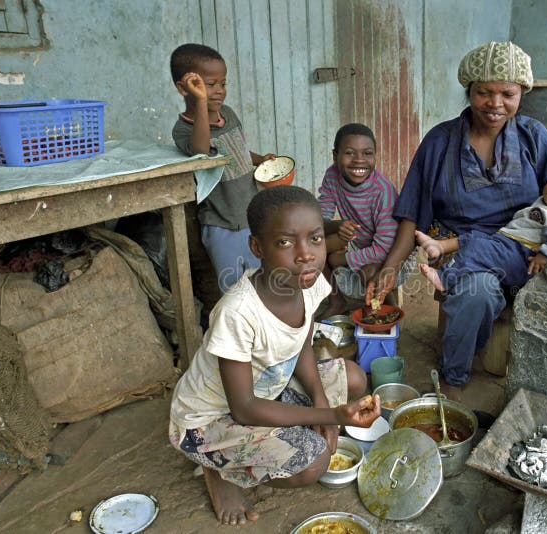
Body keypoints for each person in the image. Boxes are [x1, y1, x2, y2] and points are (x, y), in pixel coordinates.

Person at [169, 185, 380, 526]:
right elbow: (243, 407)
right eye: (285, 242)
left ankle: (254, 446)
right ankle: (218, 469)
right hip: (210, 419)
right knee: (312, 463)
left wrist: (321, 404)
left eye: (315, 239)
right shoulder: (238, 313)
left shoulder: (309, 284)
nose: (305, 254)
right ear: (257, 247)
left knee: (354, 377)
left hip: (270, 389)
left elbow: (300, 345)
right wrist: (329, 413)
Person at [365, 41, 547, 399]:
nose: (495, 104)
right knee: (478, 293)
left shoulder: (534, 138)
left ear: (522, 93)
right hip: (460, 250)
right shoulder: (440, 142)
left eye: (508, 93)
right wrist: (390, 266)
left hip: (524, 249)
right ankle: (453, 381)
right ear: (469, 91)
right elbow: (413, 210)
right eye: (483, 92)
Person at [170, 43, 277, 293]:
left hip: (252, 217)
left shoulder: (227, 113)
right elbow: (201, 150)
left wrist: (259, 159)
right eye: (209, 84)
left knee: (261, 280)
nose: (219, 91)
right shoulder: (183, 130)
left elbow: (237, 149)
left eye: (223, 84)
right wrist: (200, 103)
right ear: (183, 88)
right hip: (221, 225)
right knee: (233, 290)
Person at [417, 155, 547, 292]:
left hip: (520, 255)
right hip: (509, 245)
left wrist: (544, 255)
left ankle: (446, 278)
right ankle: (439, 246)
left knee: (478, 249)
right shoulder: (545, 203)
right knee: (475, 237)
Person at [316, 123, 414, 318]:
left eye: (367, 153)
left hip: (394, 253)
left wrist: (339, 259)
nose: (359, 161)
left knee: (370, 274)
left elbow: (384, 248)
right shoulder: (332, 176)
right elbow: (319, 219)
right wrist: (336, 226)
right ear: (335, 156)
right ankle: (337, 301)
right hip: (359, 243)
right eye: (350, 153)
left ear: (376, 156)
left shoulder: (383, 192)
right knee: (311, 247)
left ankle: (386, 313)